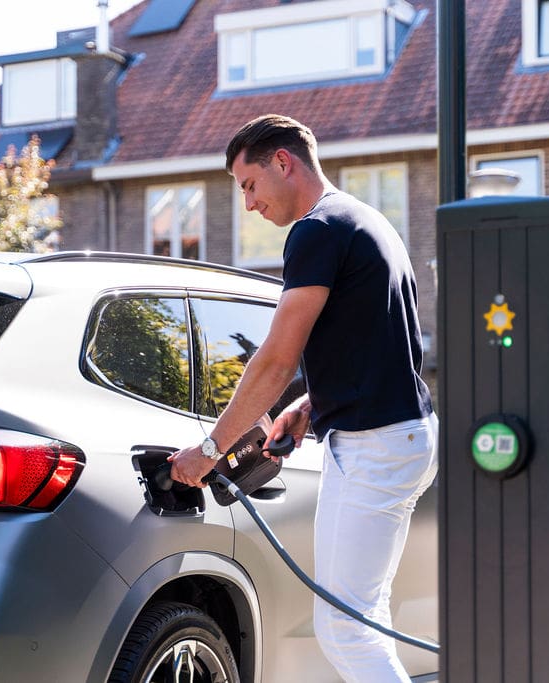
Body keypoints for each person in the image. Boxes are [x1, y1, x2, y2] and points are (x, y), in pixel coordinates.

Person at [168, 114, 437, 682]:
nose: (248, 204)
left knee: (345, 627)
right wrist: (312, 403)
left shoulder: (315, 230)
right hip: (399, 435)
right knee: (363, 617)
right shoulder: (365, 221)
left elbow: (274, 359)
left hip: (375, 446)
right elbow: (376, 342)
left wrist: (211, 448)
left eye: (249, 185)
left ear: (283, 163)